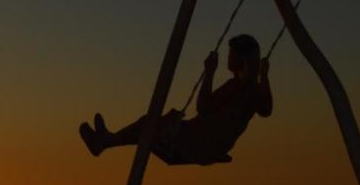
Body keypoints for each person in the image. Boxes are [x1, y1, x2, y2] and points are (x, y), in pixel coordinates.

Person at [79, 34, 273, 165]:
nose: (228, 57)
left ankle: (105, 142)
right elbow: (266, 110)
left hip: (197, 145)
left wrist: (209, 72)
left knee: (147, 124)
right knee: (149, 125)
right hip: (207, 144)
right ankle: (106, 140)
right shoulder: (253, 90)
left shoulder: (237, 87)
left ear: (240, 59)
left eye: (231, 53)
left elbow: (203, 107)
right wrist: (264, 76)